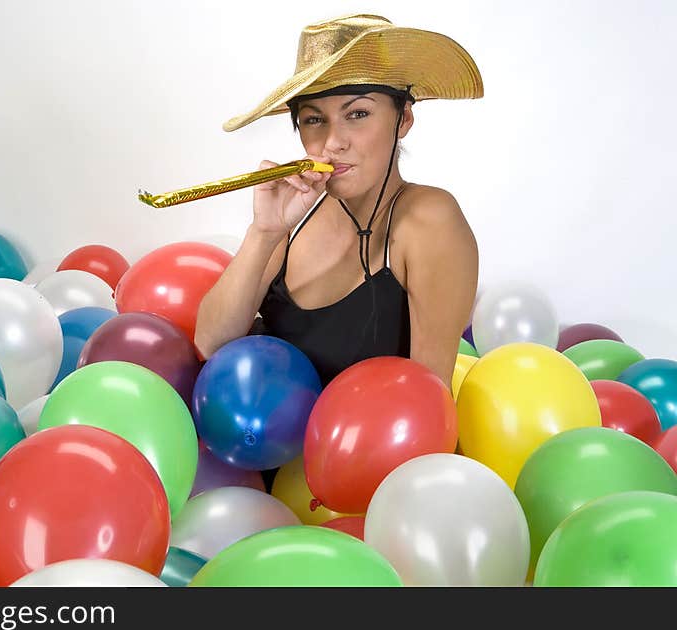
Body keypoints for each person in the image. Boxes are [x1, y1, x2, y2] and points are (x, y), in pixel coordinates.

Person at [195, 13, 483, 390]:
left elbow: (428, 402)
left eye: (358, 114)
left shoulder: (428, 221)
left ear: (403, 119)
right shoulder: (296, 214)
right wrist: (264, 232)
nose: (333, 143)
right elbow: (210, 345)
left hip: (372, 448)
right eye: (315, 120)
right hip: (264, 445)